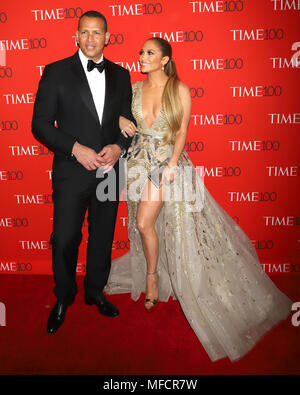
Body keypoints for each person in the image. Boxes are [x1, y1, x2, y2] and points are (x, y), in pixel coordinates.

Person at [105, 37, 293, 362]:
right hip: (137, 165)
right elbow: (120, 120)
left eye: (150, 53)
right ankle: (156, 272)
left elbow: (181, 132)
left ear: (165, 60)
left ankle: (152, 279)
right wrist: (121, 121)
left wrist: (173, 164)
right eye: (141, 52)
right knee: (146, 227)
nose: (142, 57)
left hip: (166, 165)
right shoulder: (133, 89)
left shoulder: (180, 90)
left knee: (143, 222)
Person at [32, 10, 137, 334]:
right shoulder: (56, 72)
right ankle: (64, 296)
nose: (91, 38)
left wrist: (120, 147)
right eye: (85, 32)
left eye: (97, 33)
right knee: (64, 238)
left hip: (110, 170)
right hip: (71, 170)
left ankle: (95, 292)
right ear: (76, 36)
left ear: (108, 37)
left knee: (102, 238)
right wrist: (75, 148)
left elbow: (127, 123)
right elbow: (40, 124)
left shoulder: (122, 75)